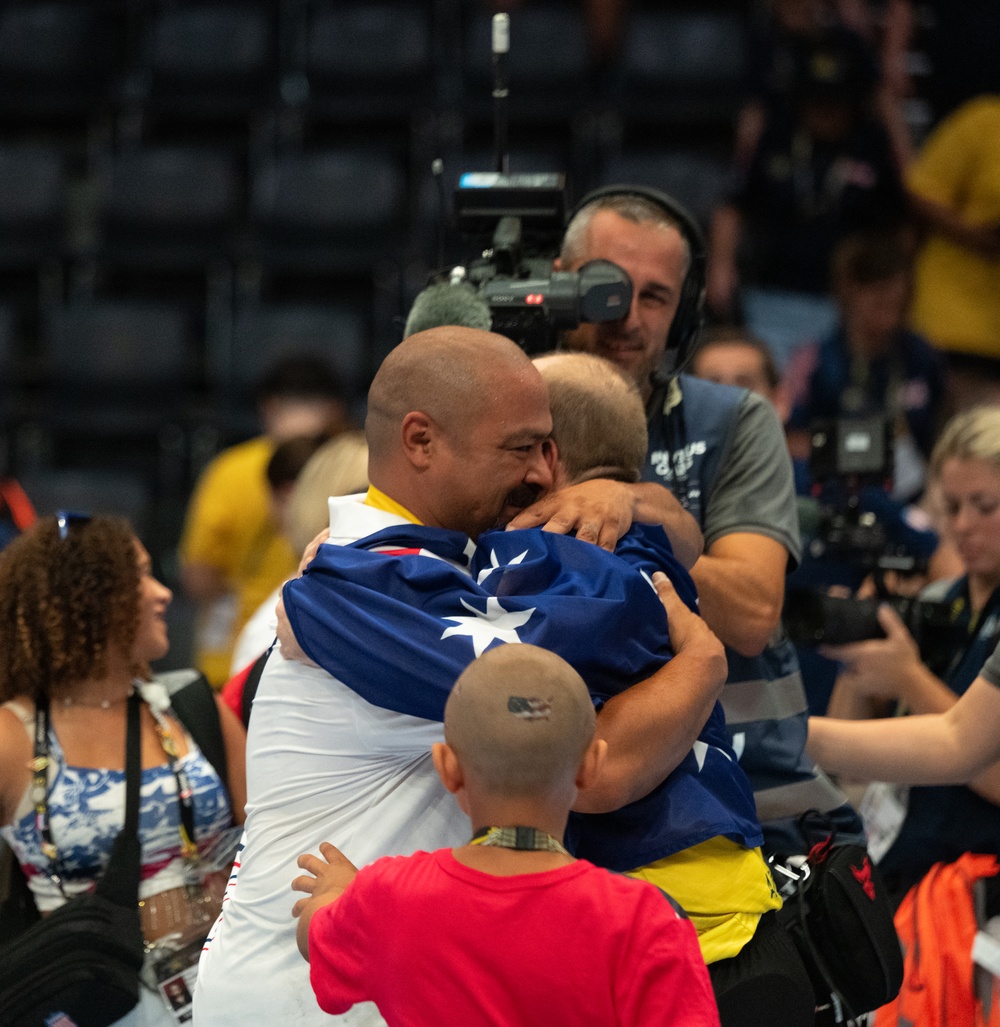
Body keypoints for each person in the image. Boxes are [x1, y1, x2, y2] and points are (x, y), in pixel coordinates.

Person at [193, 326, 724, 1027]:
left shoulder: (438, 571)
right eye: (520, 448)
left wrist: (632, 500)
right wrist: (703, 663)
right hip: (311, 998)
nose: (543, 475)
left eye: (550, 449)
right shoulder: (365, 591)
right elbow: (603, 763)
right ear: (420, 441)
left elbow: (674, 534)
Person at [522, 183, 864, 857]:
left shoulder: (732, 420)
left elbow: (753, 613)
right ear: (559, 284)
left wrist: (647, 511)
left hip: (745, 806)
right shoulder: (507, 413)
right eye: (609, 287)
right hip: (558, 805)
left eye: (656, 297)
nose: (631, 317)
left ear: (683, 314)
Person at [291, 643, 720, 1027]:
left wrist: (341, 895)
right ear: (591, 766)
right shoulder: (645, 922)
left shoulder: (387, 897)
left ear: (448, 768)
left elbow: (314, 938)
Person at [0, 514, 248, 1027]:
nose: (163, 594)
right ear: (85, 598)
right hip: (93, 1008)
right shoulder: (11, 736)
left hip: (227, 996)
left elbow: (270, 842)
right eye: (139, 576)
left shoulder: (192, 704)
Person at [806, 405, 1000, 901]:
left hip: (978, 883)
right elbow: (857, 762)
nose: (963, 525)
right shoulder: (934, 602)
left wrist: (908, 678)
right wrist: (861, 653)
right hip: (900, 870)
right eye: (952, 506)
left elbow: (987, 768)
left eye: (984, 505)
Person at [706, 28, 907, 367]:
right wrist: (722, 265)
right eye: (817, 102)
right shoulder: (776, 136)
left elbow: (900, 225)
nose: (824, 112)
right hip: (772, 294)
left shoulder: (872, 146)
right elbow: (733, 204)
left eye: (834, 103)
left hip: (845, 305)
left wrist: (884, 295)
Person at [179, 353, 350, 686]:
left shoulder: (230, 471)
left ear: (269, 406)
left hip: (233, 664)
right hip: (324, 654)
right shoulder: (353, 467)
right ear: (334, 410)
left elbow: (199, 579)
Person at [786, 229, 947, 502]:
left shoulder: (921, 355)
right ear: (850, 290)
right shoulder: (817, 361)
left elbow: (943, 430)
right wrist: (868, 448)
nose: (891, 301)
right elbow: (789, 442)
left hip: (916, 495)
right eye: (879, 295)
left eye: (899, 296)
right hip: (836, 494)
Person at [906, 95, 1000, 411]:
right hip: (954, 318)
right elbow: (921, 191)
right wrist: (980, 238)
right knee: (956, 436)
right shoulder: (983, 120)